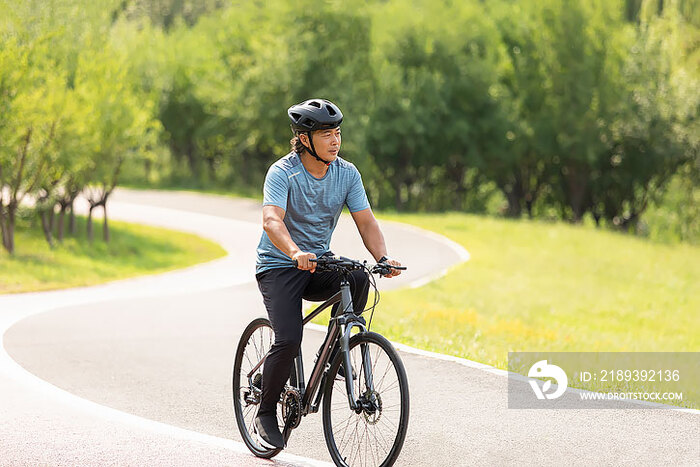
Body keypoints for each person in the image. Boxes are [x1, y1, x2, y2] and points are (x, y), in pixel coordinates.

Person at [253, 98, 403, 449]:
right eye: (325, 134)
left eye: (337, 132)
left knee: (359, 276)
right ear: (305, 139)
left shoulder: (346, 173)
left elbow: (366, 221)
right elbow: (271, 219)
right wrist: (293, 252)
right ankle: (264, 411)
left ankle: (335, 354)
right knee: (288, 339)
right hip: (279, 266)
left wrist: (383, 256)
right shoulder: (283, 172)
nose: (335, 140)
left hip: (319, 262)